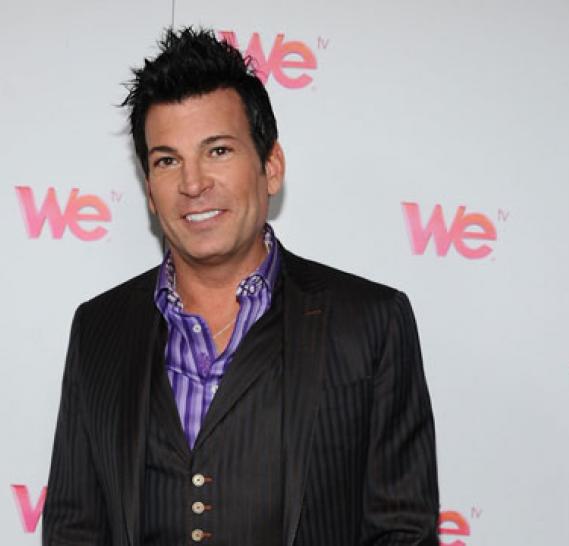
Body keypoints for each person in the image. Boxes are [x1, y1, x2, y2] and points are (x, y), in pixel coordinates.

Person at [43, 27, 439, 546]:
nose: (193, 184)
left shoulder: (370, 321)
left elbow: (402, 531)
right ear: (150, 191)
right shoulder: (99, 328)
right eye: (167, 160)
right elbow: (74, 528)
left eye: (218, 151)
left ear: (270, 167)